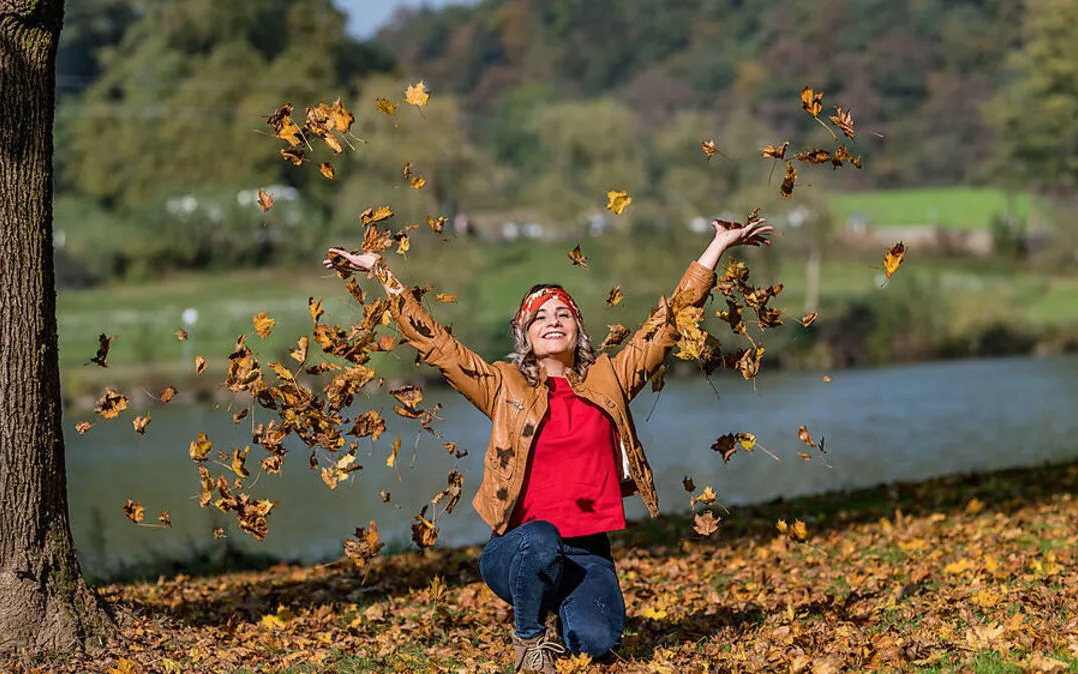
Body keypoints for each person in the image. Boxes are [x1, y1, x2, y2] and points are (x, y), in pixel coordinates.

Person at [323, 218, 771, 673]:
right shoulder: (503, 385)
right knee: (541, 540)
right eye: (539, 316)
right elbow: (438, 346)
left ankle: (562, 607)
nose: (552, 321)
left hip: (586, 551)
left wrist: (717, 246)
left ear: (578, 329)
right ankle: (528, 639)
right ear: (525, 335)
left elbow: (668, 323)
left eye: (563, 314)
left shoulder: (610, 379)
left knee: (595, 644)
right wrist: (381, 271)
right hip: (518, 548)